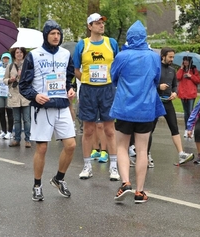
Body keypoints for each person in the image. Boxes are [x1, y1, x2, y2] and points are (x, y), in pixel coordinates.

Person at [19, 20, 76, 201]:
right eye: (52, 33)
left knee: (71, 145)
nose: (56, 36)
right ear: (46, 35)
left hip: (62, 105)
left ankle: (59, 179)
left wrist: (70, 89)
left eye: (58, 33)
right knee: (42, 148)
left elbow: (69, 77)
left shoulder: (66, 54)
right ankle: (37, 185)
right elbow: (23, 85)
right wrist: (35, 96)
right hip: (42, 108)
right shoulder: (34, 56)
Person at [111, 20, 165, 203]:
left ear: (128, 38)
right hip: (146, 108)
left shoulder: (122, 56)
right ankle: (140, 192)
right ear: (144, 37)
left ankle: (125, 182)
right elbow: (157, 79)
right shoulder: (154, 57)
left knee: (121, 147)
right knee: (142, 150)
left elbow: (113, 77)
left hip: (124, 107)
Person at [73, 13, 120, 181]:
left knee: (109, 130)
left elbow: (117, 66)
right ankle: (87, 167)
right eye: (97, 23)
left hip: (107, 90)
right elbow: (76, 69)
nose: (101, 25)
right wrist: (88, 80)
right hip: (88, 90)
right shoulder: (82, 45)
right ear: (89, 26)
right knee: (89, 130)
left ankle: (114, 167)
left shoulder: (111, 43)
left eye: (102, 22)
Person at [152, 47, 194, 165]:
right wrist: (158, 87)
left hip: (168, 102)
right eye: (170, 57)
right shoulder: (156, 68)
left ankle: (181, 154)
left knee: (174, 127)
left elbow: (176, 85)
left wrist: (175, 93)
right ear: (163, 56)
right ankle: (146, 154)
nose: (172, 59)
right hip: (156, 102)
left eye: (173, 57)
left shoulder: (172, 70)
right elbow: (149, 83)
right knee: (150, 129)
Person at [4, 47, 31, 148]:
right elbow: (4, 80)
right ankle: (17, 139)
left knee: (27, 119)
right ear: (14, 54)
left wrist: (22, 75)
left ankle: (28, 139)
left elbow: (32, 78)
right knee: (17, 120)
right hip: (14, 95)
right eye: (17, 52)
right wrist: (10, 80)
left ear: (24, 54)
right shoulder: (10, 66)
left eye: (21, 52)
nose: (19, 54)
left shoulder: (28, 65)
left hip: (25, 96)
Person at [176, 56, 200, 137]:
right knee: (186, 113)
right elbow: (178, 77)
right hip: (183, 94)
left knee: (191, 112)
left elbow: (198, 80)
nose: (185, 62)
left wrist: (191, 76)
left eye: (187, 60)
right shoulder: (182, 70)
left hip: (191, 94)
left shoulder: (194, 70)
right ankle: (186, 129)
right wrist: (181, 68)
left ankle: (190, 129)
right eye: (184, 60)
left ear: (190, 61)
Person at [0, 52, 14, 140]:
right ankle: (3, 131)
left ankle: (10, 132)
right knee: (1, 113)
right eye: (4, 58)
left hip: (9, 94)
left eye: (7, 58)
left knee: (9, 113)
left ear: (10, 59)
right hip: (0, 94)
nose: (5, 60)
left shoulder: (12, 69)